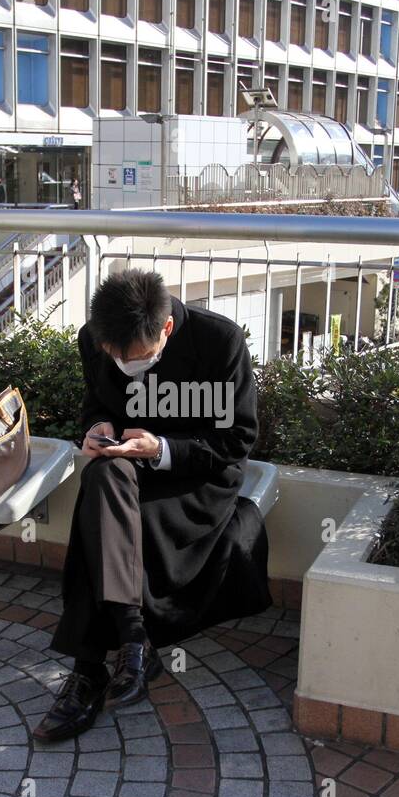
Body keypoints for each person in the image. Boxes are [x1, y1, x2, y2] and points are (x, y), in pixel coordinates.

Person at [33, 269, 272, 742]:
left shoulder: (219, 341)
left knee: (99, 514)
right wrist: (98, 429)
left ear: (165, 329)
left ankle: (88, 669)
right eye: (115, 358)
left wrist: (161, 448)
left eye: (138, 359)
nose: (126, 367)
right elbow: (95, 404)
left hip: (196, 478)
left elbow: (236, 441)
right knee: (102, 475)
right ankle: (133, 638)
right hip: (126, 470)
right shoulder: (94, 339)